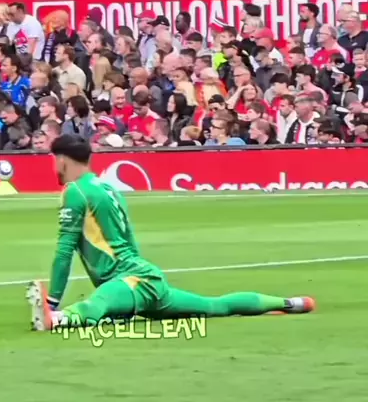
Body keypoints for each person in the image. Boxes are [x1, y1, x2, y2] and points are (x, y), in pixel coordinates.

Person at [26, 134, 315, 330]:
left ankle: (59, 318)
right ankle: (292, 303)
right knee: (214, 307)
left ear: (62, 160)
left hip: (130, 280)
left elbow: (65, 249)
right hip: (144, 278)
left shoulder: (74, 191)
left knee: (97, 304)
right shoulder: (107, 187)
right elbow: (129, 239)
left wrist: (52, 302)